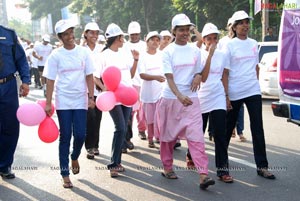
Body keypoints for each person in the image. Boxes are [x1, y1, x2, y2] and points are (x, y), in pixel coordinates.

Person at [156, 13, 215, 190]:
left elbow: (200, 72)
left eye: (186, 30)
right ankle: (167, 167)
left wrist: (197, 76)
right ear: (174, 31)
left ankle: (203, 175)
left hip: (192, 100)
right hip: (171, 99)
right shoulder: (167, 51)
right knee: (167, 137)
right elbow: (169, 78)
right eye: (180, 30)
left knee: (196, 137)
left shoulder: (195, 50)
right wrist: (179, 96)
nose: (184, 33)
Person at [43, 19, 96, 188]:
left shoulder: (83, 52)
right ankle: (65, 173)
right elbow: (50, 80)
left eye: (71, 32)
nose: (69, 36)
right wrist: (48, 102)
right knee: (65, 135)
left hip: (80, 99)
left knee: (80, 134)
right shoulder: (55, 55)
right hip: (63, 100)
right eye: (65, 34)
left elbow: (89, 76)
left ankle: (74, 156)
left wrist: (91, 97)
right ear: (60, 37)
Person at [224, 10, 275, 179]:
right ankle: (222, 166)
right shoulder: (229, 45)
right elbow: (225, 72)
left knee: (257, 128)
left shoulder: (253, 43)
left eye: (247, 22)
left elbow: (255, 67)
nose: (245, 25)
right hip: (235, 91)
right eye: (241, 23)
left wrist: (256, 85)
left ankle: (262, 166)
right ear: (235, 27)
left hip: (252, 90)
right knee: (227, 129)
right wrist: (226, 95)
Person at [95, 23, 139, 177]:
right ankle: (114, 164)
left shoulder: (124, 53)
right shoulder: (103, 55)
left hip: (127, 95)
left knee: (124, 128)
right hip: (113, 97)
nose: (124, 40)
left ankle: (118, 162)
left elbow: (131, 75)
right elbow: (95, 76)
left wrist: (135, 60)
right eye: (122, 37)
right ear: (117, 38)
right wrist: (104, 87)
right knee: (120, 127)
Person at [198, 23, 233, 183]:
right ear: (204, 40)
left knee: (220, 132)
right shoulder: (198, 55)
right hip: (202, 96)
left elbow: (224, 75)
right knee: (199, 132)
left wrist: (226, 97)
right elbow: (203, 77)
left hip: (218, 95)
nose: (212, 41)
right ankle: (192, 155)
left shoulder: (223, 54)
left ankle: (222, 169)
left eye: (215, 38)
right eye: (209, 39)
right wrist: (210, 56)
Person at [0, 25, 30, 179]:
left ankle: (5, 165)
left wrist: (25, 81)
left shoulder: (8, 34)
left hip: (8, 86)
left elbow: (21, 59)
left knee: (11, 126)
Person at [82, 22, 105, 160]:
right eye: (91, 33)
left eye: (96, 33)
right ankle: (89, 146)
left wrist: (101, 83)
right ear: (85, 34)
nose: (94, 36)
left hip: (99, 89)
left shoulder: (101, 49)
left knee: (97, 118)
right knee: (89, 118)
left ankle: (96, 145)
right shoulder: (80, 49)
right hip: (85, 89)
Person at [123, 21, 147, 149]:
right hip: (130, 82)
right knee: (130, 112)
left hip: (143, 81)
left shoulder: (144, 45)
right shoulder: (124, 46)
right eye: (132, 35)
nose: (134, 37)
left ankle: (142, 129)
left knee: (142, 111)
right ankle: (128, 137)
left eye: (136, 34)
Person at [139, 31, 165, 148]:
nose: (155, 42)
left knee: (160, 116)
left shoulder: (162, 54)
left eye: (157, 40)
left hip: (161, 91)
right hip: (148, 93)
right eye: (152, 39)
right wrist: (155, 77)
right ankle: (150, 138)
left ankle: (159, 137)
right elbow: (142, 75)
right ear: (147, 41)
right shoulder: (142, 56)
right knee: (150, 118)